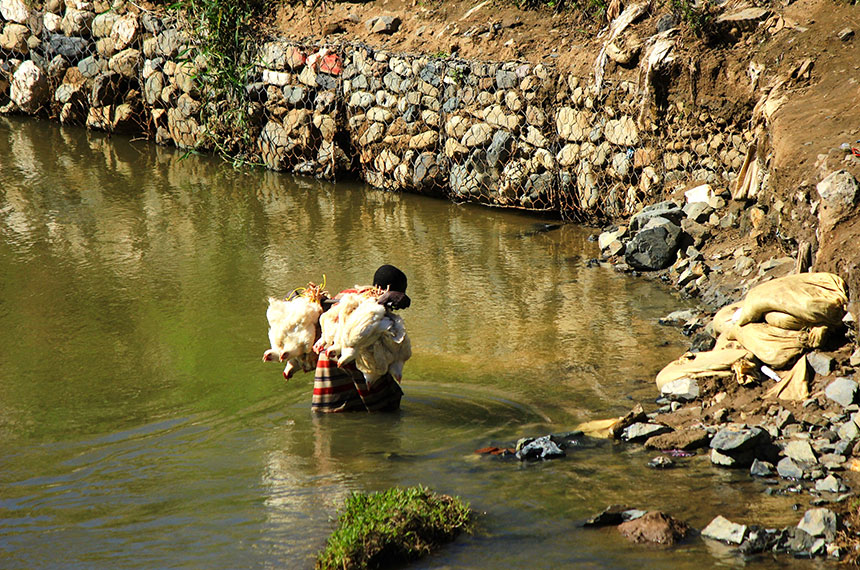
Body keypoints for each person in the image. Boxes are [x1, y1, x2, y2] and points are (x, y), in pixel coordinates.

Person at [311, 265, 410, 413]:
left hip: (327, 356)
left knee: (330, 408)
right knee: (389, 403)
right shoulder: (378, 302)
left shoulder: (346, 294)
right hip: (355, 354)